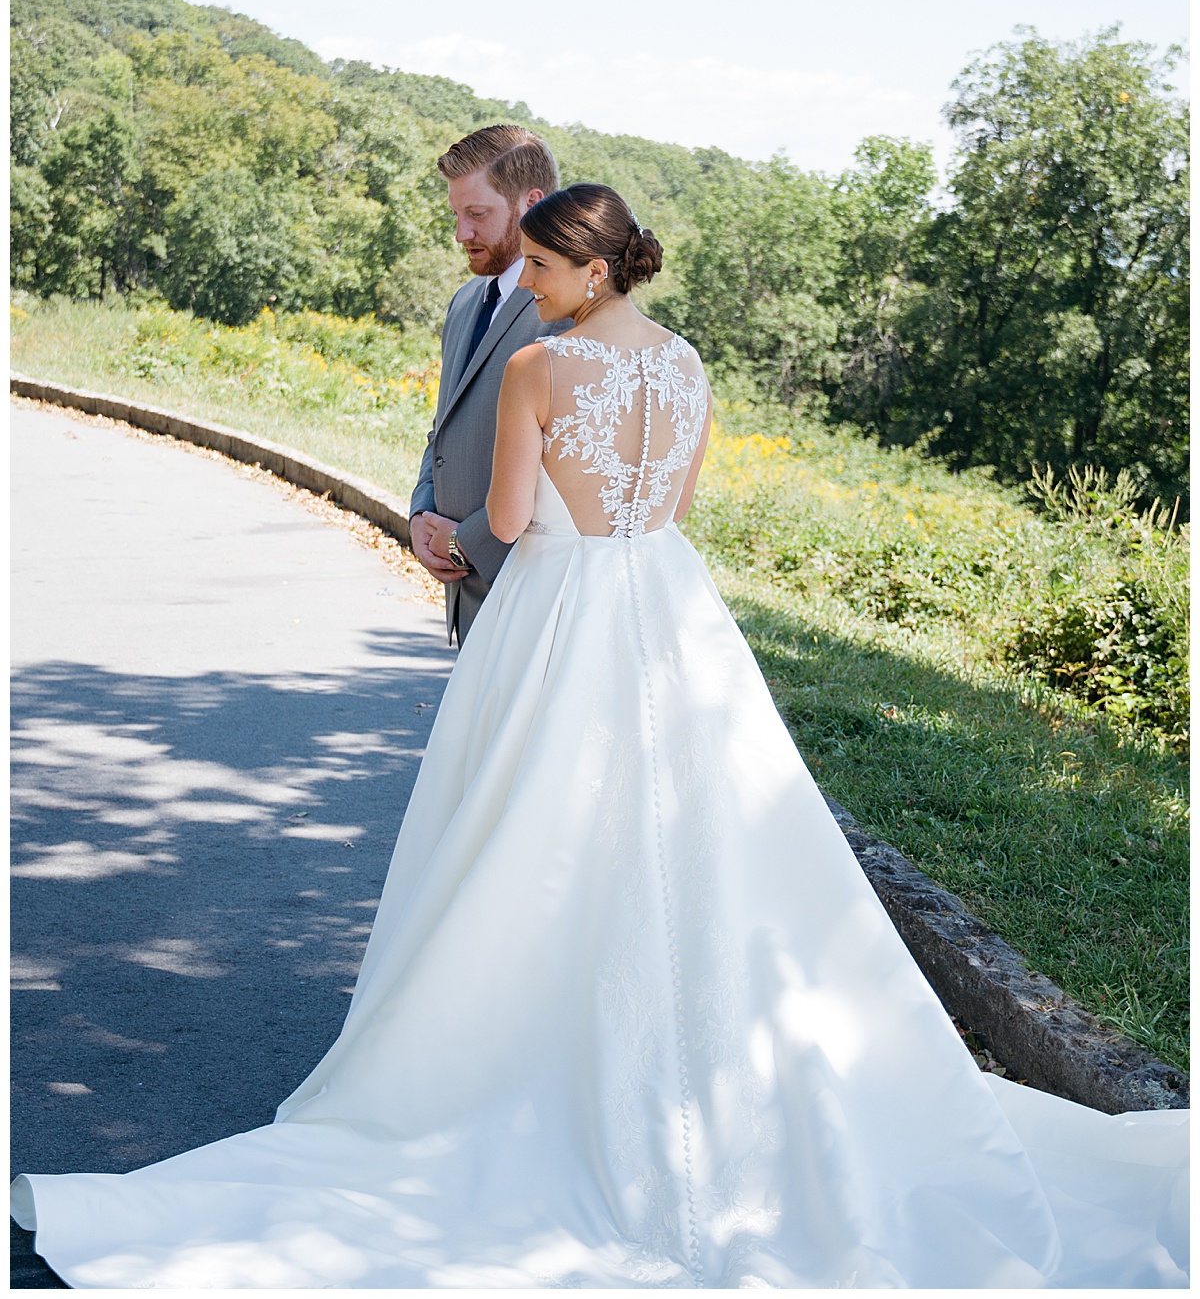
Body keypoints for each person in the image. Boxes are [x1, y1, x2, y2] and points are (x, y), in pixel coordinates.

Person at [11, 184, 1188, 1288]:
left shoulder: (539, 367)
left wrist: (443, 529)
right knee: (690, 835)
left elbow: (513, 517)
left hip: (561, 615)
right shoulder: (687, 365)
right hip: (668, 611)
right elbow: (671, 508)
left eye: (537, 263)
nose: (523, 282)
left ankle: (520, 1063)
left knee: (526, 832)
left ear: (588, 268)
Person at [407, 123, 570, 643]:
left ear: (531, 203)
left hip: (527, 594)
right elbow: (445, 430)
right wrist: (419, 513)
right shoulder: (462, 303)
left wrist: (467, 543)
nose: (461, 234)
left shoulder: (570, 317)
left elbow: (566, 468)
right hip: (464, 600)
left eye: (477, 215)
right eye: (456, 215)